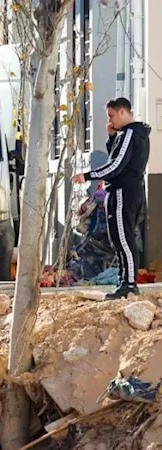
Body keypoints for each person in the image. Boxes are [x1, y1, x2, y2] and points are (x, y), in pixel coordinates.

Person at [75, 97, 152, 299]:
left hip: (123, 192)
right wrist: (111, 138)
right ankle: (124, 281)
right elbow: (118, 159)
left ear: (122, 112)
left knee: (123, 239)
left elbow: (115, 167)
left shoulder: (130, 133)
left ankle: (128, 284)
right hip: (126, 190)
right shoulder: (130, 135)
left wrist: (87, 175)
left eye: (111, 116)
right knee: (118, 238)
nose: (110, 121)